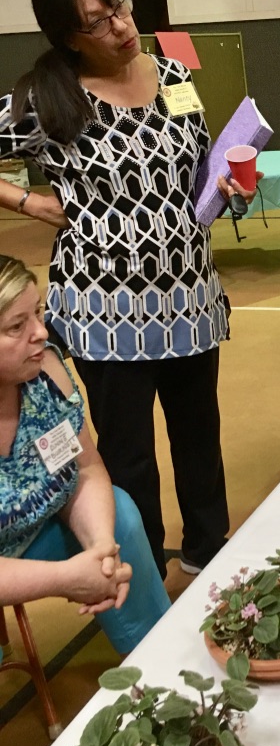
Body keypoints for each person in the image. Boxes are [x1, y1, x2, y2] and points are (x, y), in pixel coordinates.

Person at [0, 0, 255, 580]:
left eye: (120, 7)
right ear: (67, 38)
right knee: (128, 455)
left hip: (190, 298)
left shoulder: (174, 75)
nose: (120, 27)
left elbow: (197, 173)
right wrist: (29, 201)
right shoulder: (46, 98)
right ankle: (141, 575)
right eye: (97, 22)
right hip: (105, 314)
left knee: (200, 436)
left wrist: (229, 187)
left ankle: (207, 550)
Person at [0, 255, 169, 652]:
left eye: (37, 313)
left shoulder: (47, 369)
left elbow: (87, 467)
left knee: (120, 514)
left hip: (27, 528)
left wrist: (101, 548)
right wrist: (65, 578)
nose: (41, 332)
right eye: (16, 326)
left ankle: (156, 654)